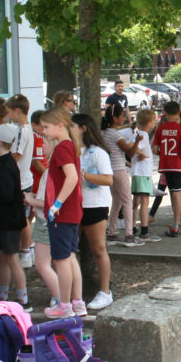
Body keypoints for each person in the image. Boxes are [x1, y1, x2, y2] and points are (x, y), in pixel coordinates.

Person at [40, 108, 86, 318]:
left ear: (60, 125)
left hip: (62, 213)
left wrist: (56, 204)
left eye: (46, 127)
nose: (44, 131)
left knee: (61, 259)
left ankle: (65, 304)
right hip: (72, 211)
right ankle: (77, 302)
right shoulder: (71, 146)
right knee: (70, 257)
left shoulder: (62, 149)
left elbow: (72, 177)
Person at [72, 114, 115, 312]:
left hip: (95, 204)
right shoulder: (70, 150)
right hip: (73, 205)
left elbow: (108, 179)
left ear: (83, 128)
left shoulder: (97, 152)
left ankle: (105, 291)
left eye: (71, 125)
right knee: (69, 250)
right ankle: (72, 292)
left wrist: (84, 176)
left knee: (98, 248)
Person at [0, 124, 29, 309]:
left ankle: (23, 297)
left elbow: (7, 194)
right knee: (4, 257)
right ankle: (2, 295)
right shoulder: (5, 162)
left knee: (12, 258)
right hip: (7, 219)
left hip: (9, 219)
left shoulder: (5, 165)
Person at [23, 140, 60, 309]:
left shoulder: (51, 170)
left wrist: (31, 199)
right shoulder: (56, 169)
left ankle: (60, 298)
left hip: (45, 221)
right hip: (51, 222)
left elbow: (47, 202)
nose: (41, 147)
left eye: (44, 143)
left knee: (42, 263)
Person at [101, 103, 143, 246]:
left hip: (109, 170)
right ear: (115, 118)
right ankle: (129, 234)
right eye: (122, 115)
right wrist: (136, 141)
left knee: (117, 201)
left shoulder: (104, 132)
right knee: (127, 201)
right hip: (119, 170)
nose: (124, 117)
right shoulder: (116, 134)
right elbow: (129, 152)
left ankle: (112, 231)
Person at [152, 101, 181, 238]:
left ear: (165, 113)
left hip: (165, 165)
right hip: (178, 166)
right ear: (178, 113)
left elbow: (154, 148)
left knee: (176, 194)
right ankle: (176, 224)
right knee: (177, 195)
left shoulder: (160, 129)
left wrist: (163, 154)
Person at [4, 94, 36, 269]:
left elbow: (15, 156)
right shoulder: (26, 128)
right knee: (24, 218)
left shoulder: (21, 131)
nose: (8, 115)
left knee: (22, 220)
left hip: (20, 181)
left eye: (9, 112)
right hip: (25, 179)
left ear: (17, 111)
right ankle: (27, 249)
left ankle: (26, 251)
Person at [130, 109, 159, 241]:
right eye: (154, 120)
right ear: (149, 123)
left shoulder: (137, 132)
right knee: (144, 201)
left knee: (136, 202)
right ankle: (144, 230)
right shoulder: (143, 135)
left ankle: (132, 227)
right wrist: (143, 154)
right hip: (143, 172)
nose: (155, 123)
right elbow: (133, 147)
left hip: (137, 172)